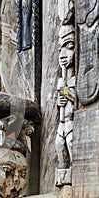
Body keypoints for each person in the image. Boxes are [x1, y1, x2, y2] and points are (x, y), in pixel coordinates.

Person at [55, 24, 75, 169]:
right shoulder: (61, 80)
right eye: (60, 49)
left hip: (71, 121)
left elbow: (78, 99)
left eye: (69, 46)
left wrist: (66, 92)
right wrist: (59, 100)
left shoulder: (75, 79)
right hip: (61, 122)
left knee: (71, 142)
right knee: (58, 144)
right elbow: (60, 100)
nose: (62, 55)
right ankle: (62, 173)